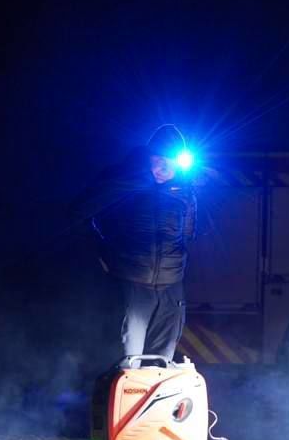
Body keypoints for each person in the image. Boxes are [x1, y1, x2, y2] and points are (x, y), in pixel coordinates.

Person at [68, 125, 197, 364]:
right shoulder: (124, 181)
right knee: (127, 366)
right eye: (157, 160)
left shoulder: (184, 192)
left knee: (161, 367)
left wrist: (176, 264)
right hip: (132, 286)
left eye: (170, 162)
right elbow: (78, 213)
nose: (163, 168)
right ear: (148, 158)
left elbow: (187, 234)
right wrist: (103, 253)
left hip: (171, 291)